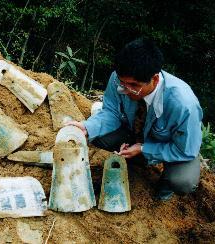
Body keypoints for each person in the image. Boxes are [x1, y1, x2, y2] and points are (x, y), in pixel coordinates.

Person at [67, 38, 203, 201]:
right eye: (123, 83)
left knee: (183, 181)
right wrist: (87, 127)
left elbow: (185, 150)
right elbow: (111, 112)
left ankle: (164, 187)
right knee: (98, 136)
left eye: (134, 85)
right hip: (135, 132)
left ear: (155, 79)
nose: (126, 90)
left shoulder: (183, 105)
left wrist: (144, 149)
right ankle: (137, 160)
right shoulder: (118, 79)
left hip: (174, 145)